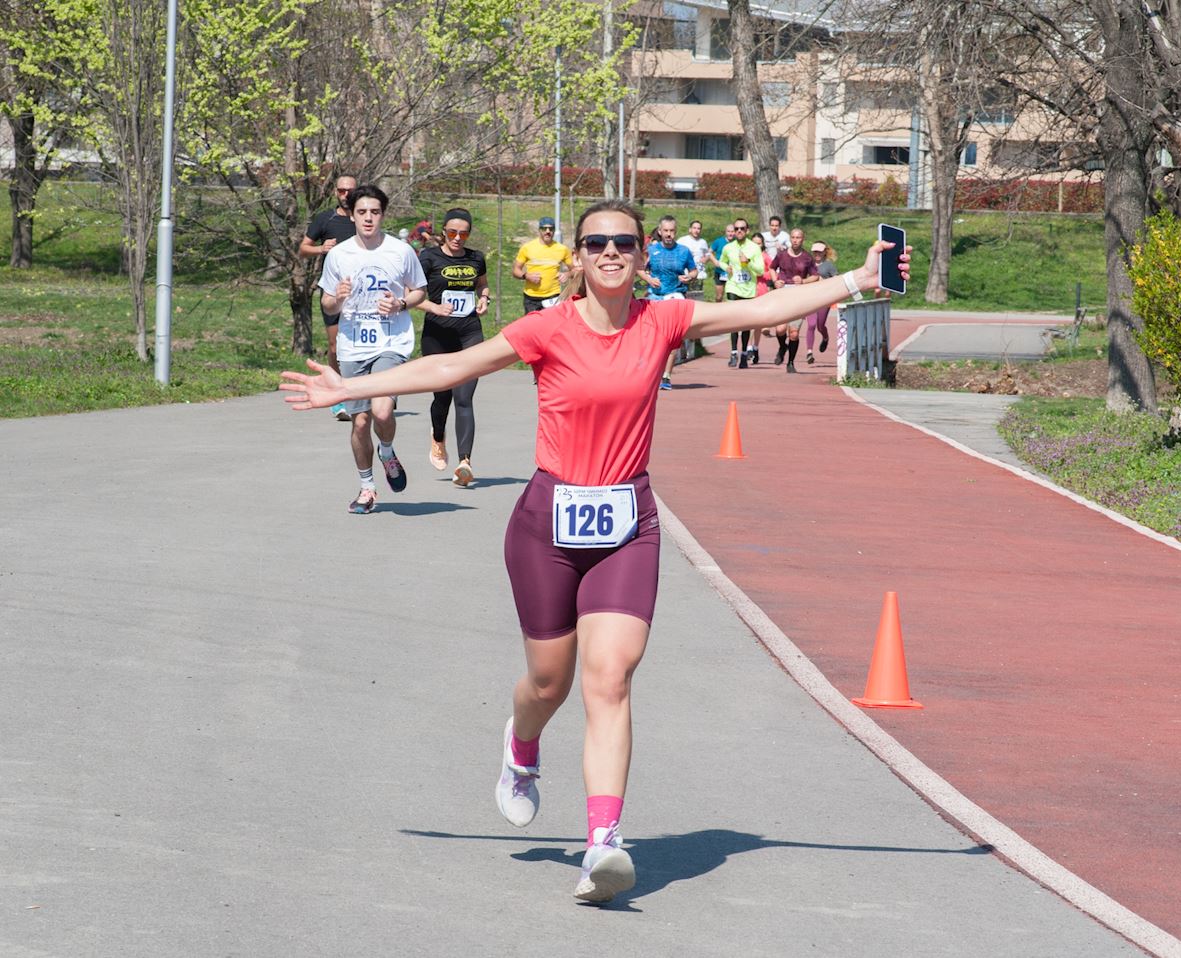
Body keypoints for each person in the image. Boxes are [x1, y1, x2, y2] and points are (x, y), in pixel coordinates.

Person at [280, 198, 910, 903]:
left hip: (627, 524)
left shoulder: (665, 320)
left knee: (609, 678)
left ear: (643, 256)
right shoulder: (547, 328)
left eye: (624, 242)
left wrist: (857, 278)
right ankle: (521, 750)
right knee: (550, 683)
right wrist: (350, 386)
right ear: (576, 257)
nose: (611, 251)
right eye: (596, 242)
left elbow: (767, 311)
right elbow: (446, 370)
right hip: (546, 525)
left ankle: (603, 846)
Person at [316, 183, 428, 514]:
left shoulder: (400, 251)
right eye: (362, 212)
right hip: (352, 347)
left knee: (382, 412)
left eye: (375, 212)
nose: (368, 218)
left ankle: (388, 451)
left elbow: (420, 290)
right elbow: (327, 303)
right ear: (352, 215)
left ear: (383, 215)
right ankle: (367, 488)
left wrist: (401, 304)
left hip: (391, 342)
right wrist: (337, 296)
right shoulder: (339, 254)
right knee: (361, 422)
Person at [415, 207, 490, 486]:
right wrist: (433, 305)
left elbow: (482, 286)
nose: (458, 238)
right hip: (437, 334)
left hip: (469, 332)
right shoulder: (429, 257)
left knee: (464, 398)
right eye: (452, 232)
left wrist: (484, 300)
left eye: (463, 233)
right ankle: (437, 437)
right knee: (442, 397)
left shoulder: (476, 258)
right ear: (443, 232)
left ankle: (464, 463)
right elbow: (413, 295)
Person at [298, 174, 357, 420]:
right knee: (335, 344)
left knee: (359, 344)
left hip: (360, 290)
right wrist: (321, 249)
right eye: (341, 191)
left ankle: (362, 393)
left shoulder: (364, 218)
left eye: (350, 191)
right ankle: (337, 396)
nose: (345, 195)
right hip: (332, 290)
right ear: (335, 192)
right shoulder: (325, 219)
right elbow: (303, 248)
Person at [638, 216, 697, 392]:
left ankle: (666, 376)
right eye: (666, 231)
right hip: (655, 297)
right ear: (660, 231)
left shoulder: (684, 251)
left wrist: (689, 277)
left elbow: (693, 270)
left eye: (672, 231)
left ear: (675, 231)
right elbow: (638, 268)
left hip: (675, 295)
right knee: (651, 338)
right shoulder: (651, 250)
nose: (669, 234)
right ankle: (650, 373)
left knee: (672, 338)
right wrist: (649, 278)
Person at [769, 227, 819, 373]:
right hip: (783, 295)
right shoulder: (782, 255)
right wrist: (775, 281)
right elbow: (772, 268)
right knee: (780, 329)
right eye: (793, 237)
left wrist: (803, 281)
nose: (795, 240)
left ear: (803, 239)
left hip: (798, 298)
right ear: (790, 238)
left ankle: (790, 362)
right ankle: (782, 347)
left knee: (794, 333)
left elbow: (815, 276)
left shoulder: (807, 258)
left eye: (798, 237)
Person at [716, 218, 764, 368]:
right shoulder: (728, 247)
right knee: (733, 321)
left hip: (748, 289)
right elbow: (721, 261)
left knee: (745, 324)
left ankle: (744, 354)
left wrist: (748, 261)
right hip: (733, 287)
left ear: (747, 230)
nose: (739, 231)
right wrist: (726, 268)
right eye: (736, 229)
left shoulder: (754, 248)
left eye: (742, 228)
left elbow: (761, 270)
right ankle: (733, 353)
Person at [513, 216, 573, 314]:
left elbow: (575, 270)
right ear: (539, 230)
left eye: (551, 229)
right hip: (532, 298)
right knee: (532, 328)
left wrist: (567, 274)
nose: (548, 231)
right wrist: (526, 276)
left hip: (553, 297)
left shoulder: (562, 249)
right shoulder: (527, 248)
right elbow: (515, 271)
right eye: (544, 228)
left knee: (552, 327)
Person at [810, 240, 838, 362]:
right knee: (811, 325)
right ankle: (809, 352)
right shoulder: (808, 263)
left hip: (824, 299)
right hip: (809, 299)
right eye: (815, 251)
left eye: (819, 252)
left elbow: (836, 280)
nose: (817, 254)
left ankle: (825, 337)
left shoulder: (828, 265)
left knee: (820, 326)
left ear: (824, 252)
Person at [709, 222, 735, 304]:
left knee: (731, 296)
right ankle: (717, 310)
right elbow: (709, 252)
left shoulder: (737, 242)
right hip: (720, 272)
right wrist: (715, 261)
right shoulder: (719, 241)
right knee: (719, 296)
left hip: (732, 273)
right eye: (728, 231)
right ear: (725, 232)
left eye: (732, 231)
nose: (730, 233)